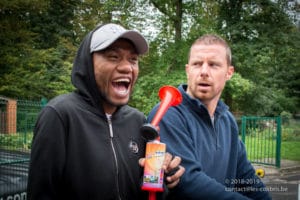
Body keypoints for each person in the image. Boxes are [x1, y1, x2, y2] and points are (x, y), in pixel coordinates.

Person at [27, 23, 184, 200]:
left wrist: (164, 179)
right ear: (87, 63)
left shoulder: (138, 120)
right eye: (113, 56)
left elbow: (146, 193)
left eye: (133, 59)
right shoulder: (60, 115)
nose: (127, 67)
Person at [147, 34, 271, 199]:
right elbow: (189, 183)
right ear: (188, 70)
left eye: (213, 65)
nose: (204, 72)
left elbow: (245, 176)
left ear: (229, 72)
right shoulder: (168, 114)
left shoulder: (227, 120)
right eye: (197, 64)